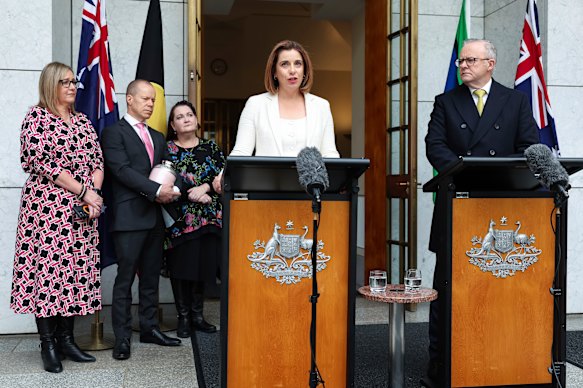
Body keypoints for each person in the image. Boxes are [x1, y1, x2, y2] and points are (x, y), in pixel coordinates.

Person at [422, 39, 539, 387]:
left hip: (501, 206)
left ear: (491, 63)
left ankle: (499, 356)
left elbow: (528, 147)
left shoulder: (515, 100)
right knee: (448, 288)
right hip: (456, 202)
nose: (463, 66)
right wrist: (464, 172)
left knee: (499, 288)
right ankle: (441, 363)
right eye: (461, 60)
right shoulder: (446, 101)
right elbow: (435, 145)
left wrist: (499, 175)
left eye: (471, 60)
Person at [11, 61, 104, 373]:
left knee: (75, 272)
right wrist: (84, 192)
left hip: (81, 211)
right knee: (49, 274)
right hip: (46, 210)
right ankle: (48, 343)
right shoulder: (36, 118)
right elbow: (43, 163)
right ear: (50, 85)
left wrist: (93, 194)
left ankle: (67, 339)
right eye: (64, 82)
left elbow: (97, 161)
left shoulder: (83, 121)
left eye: (74, 81)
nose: (72, 86)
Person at [101, 79, 182, 361]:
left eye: (153, 100)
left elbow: (167, 168)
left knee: (150, 279)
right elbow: (121, 170)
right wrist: (157, 190)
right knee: (124, 280)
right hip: (128, 218)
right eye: (145, 99)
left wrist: (176, 188)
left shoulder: (158, 137)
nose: (150, 104)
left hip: (154, 219)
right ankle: (122, 339)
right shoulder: (113, 133)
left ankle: (149, 328)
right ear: (129, 99)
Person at [214, 39, 340, 193]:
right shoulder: (256, 104)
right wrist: (223, 175)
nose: (292, 70)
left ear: (305, 70)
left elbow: (329, 153)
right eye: (284, 64)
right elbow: (241, 151)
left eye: (298, 64)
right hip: (266, 193)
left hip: (309, 195)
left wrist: (339, 181)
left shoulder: (321, 106)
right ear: (274, 72)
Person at [164, 100, 225, 337]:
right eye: (180, 117)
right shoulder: (166, 149)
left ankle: (198, 316)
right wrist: (193, 194)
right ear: (173, 124)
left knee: (202, 267)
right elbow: (162, 180)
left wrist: (206, 187)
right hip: (179, 220)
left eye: (190, 114)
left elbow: (223, 179)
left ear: (197, 120)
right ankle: (184, 317)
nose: (186, 119)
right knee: (181, 268)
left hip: (209, 220)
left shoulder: (211, 148)